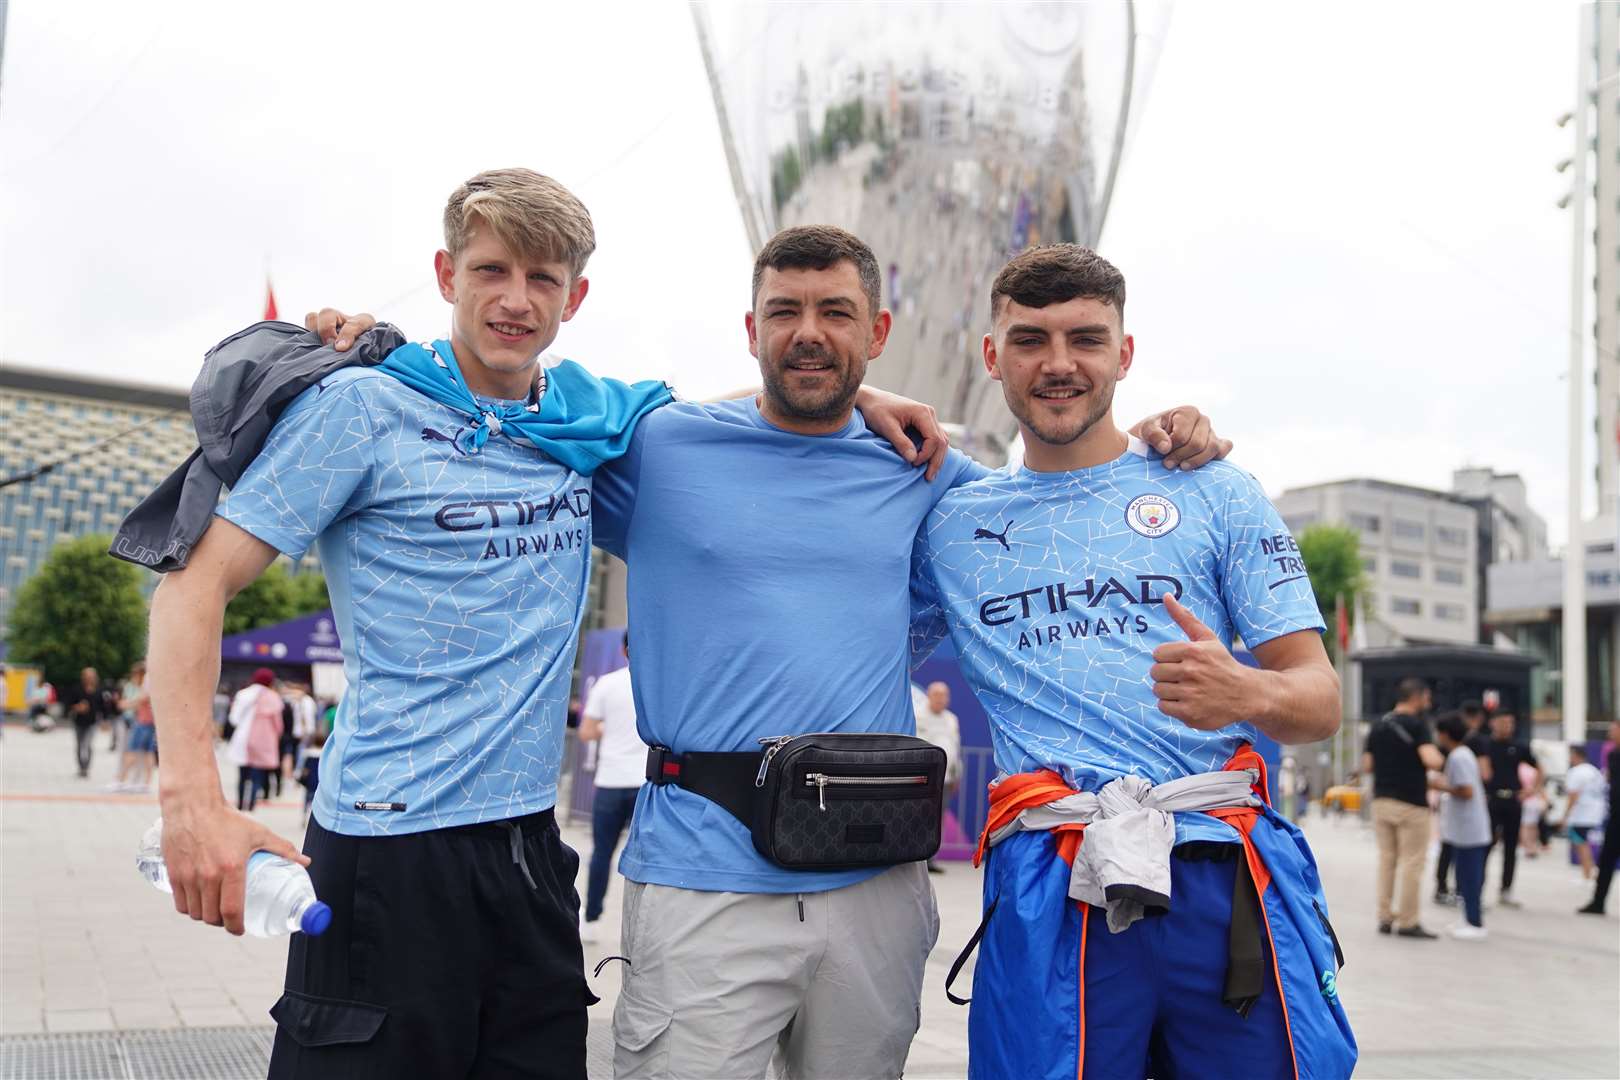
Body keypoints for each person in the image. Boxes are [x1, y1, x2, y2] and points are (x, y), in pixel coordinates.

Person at [312, 223, 1227, 1077]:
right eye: (786, 314)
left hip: (874, 881)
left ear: (879, 328)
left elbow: (1062, 493)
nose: (809, 335)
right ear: (752, 328)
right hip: (701, 882)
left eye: (835, 315)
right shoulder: (658, 446)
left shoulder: (929, 470)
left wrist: (1163, 439)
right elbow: (510, 399)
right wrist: (389, 353)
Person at [910, 244, 1355, 1079]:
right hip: (1054, 873)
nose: (1058, 363)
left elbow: (1319, 700)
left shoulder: (1215, 489)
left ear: (1125, 352)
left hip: (1221, 873)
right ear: (990, 356)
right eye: (1030, 339)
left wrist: (1244, 691)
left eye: (1085, 338)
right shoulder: (950, 523)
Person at [1361, 678, 1443, 938]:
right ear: (1416, 697)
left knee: (1387, 860)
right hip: (1411, 803)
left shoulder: (1378, 726)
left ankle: (1385, 917)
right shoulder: (1418, 726)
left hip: (1382, 801)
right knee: (1412, 863)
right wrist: (1440, 757)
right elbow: (1431, 760)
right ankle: (1408, 922)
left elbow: (1367, 766)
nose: (1428, 702)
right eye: (1426, 697)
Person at [577, 632, 645, 943]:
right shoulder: (656, 686)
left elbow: (587, 732)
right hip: (646, 783)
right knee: (647, 857)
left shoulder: (606, 683)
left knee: (602, 853)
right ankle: (643, 926)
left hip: (610, 781)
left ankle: (591, 918)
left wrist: (611, 727)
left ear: (622, 650)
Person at [1430, 713, 1490, 941]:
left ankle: (1475, 923)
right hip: (1465, 829)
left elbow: (1466, 791)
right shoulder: (1463, 754)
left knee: (1469, 877)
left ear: (1445, 734)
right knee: (1464, 876)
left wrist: (1440, 786)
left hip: (1469, 830)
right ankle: (1468, 918)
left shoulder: (1458, 757)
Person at [1484, 711, 1541, 909]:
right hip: (1492, 800)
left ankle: (1506, 890)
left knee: (1510, 848)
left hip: (1513, 800)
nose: (1508, 726)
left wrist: (1532, 789)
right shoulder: (1485, 745)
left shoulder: (1518, 747)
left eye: (1511, 722)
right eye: (1504, 722)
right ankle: (1477, 889)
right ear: (1493, 723)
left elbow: (1539, 767)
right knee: (1486, 845)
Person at [914, 681, 962, 874]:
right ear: (929, 695)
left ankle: (930, 859)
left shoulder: (951, 719)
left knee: (936, 820)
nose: (941, 699)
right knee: (917, 817)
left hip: (945, 780)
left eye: (944, 696)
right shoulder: (918, 715)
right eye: (937, 695)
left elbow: (956, 748)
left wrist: (957, 773)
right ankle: (914, 860)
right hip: (922, 778)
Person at [1578, 720, 1620, 915]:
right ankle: (1598, 902)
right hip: (1615, 816)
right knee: (1606, 860)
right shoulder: (1612, 754)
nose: (1611, 733)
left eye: (1614, 730)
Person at [1560, 744, 1609, 880]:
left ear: (1575, 755)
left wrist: (1565, 816)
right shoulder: (1594, 770)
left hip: (1582, 813)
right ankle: (1590, 872)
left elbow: (1573, 795)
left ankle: (1587, 874)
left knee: (1581, 844)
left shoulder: (1576, 772)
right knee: (1585, 843)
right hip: (1596, 812)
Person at [59, 667, 117, 779]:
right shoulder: (77, 689)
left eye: (91, 676)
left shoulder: (99, 690)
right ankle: (81, 767)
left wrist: (105, 721)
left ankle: (86, 767)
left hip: (92, 722)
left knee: (88, 744)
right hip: (78, 721)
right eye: (87, 676)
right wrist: (77, 707)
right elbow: (68, 704)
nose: (89, 678)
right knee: (80, 745)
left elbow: (104, 707)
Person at [117, 663, 159, 793]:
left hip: (144, 721)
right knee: (148, 753)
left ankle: (121, 780)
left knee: (132, 750)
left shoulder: (149, 677)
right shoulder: (155, 676)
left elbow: (144, 698)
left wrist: (127, 704)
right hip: (150, 721)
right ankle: (145, 783)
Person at [296, 728, 326, 827]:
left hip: (309, 782)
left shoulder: (308, 753)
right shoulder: (325, 754)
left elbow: (305, 769)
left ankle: (304, 817)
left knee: (307, 801)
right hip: (320, 782)